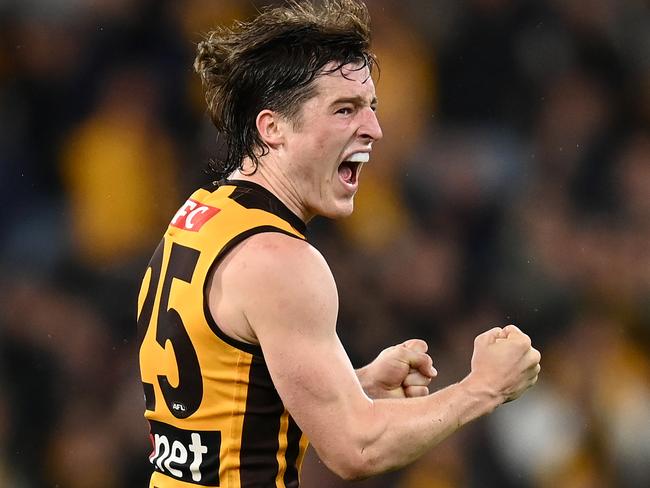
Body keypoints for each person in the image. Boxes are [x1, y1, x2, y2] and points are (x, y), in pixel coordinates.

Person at [137, 1, 541, 486]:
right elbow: (356, 449)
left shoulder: (201, 214)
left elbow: (222, 402)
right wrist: (484, 388)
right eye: (344, 109)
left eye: (371, 107)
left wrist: (354, 384)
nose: (373, 129)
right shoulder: (281, 260)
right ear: (273, 128)